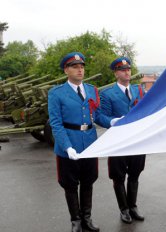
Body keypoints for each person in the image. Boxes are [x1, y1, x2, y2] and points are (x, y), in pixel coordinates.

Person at [48, 52, 117, 232]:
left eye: (82, 66)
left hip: (90, 144)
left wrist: (111, 122)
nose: (80, 70)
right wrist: (67, 146)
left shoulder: (92, 90)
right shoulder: (56, 93)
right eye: (75, 67)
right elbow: (56, 124)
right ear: (66, 70)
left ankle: (87, 217)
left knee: (88, 181)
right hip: (68, 146)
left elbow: (98, 115)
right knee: (70, 185)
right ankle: (75, 220)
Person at [100, 57, 146, 224]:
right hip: (118, 141)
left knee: (135, 173)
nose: (126, 72)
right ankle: (124, 209)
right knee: (118, 177)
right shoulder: (107, 94)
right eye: (122, 69)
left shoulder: (139, 90)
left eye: (128, 69)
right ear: (115, 73)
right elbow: (99, 115)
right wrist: (111, 121)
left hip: (136, 140)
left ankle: (133, 206)